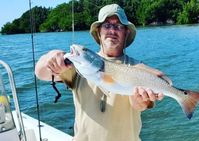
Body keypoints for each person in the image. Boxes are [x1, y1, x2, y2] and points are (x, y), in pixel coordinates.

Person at [35, 4, 166, 141]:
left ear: (126, 32)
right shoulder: (78, 66)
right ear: (98, 31)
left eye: (118, 26)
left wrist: (140, 102)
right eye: (107, 25)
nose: (112, 30)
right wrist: (53, 56)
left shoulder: (138, 68)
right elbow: (40, 72)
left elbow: (142, 104)